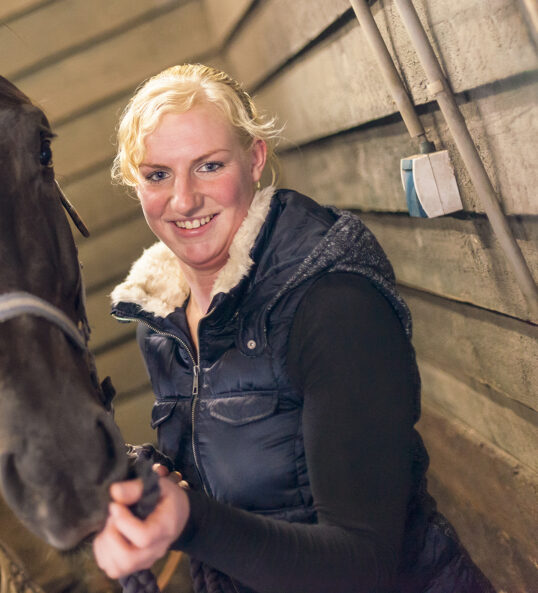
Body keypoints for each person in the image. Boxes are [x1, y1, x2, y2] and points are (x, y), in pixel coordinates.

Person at [92, 64, 494, 593]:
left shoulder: (332, 304)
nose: (184, 200)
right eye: (158, 174)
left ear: (255, 159)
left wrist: (189, 520)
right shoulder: (162, 323)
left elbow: (362, 565)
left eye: (209, 166)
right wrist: (158, 479)